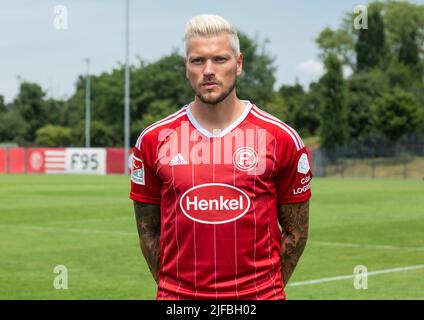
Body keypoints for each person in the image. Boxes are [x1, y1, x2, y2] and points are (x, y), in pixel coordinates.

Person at [130, 14, 312, 300]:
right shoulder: (153, 140)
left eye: (220, 59)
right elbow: (148, 232)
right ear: (186, 67)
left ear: (238, 64)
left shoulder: (281, 138)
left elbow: (296, 234)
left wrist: (262, 291)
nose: (209, 70)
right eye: (198, 61)